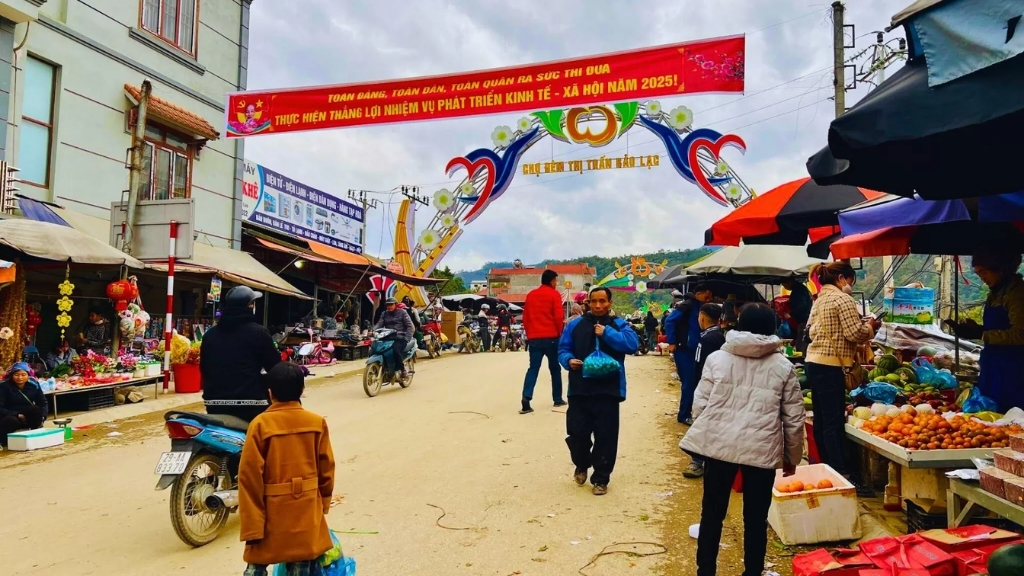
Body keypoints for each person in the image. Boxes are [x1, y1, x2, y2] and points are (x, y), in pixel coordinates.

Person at [680, 303, 804, 576]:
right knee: (756, 519)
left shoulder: (717, 359)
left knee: (712, 514)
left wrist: (709, 435)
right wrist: (792, 458)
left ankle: (706, 571)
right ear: (772, 328)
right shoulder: (783, 366)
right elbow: (794, 418)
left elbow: (699, 405)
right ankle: (752, 572)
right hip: (761, 452)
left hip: (719, 449)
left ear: (738, 324)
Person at [238, 362, 335, 576]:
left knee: (256, 566)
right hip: (306, 510)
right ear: (302, 390)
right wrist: (322, 505)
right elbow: (326, 469)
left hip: (270, 513)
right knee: (300, 563)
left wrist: (253, 525)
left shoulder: (260, 425)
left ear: (270, 392)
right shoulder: (316, 422)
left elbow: (249, 477)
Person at [558, 287, 639, 495]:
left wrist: (607, 333)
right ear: (588, 303)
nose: (598, 305)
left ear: (610, 303)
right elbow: (563, 348)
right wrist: (568, 360)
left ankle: (601, 478)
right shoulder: (574, 325)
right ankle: (582, 463)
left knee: (606, 436)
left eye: (603, 301)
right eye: (594, 301)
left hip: (608, 391)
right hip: (579, 389)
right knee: (577, 433)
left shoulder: (619, 325)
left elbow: (632, 345)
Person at [805, 262, 879, 486]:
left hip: (814, 363)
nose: (850, 286)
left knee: (821, 418)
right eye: (850, 281)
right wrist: (872, 327)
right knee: (833, 421)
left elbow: (809, 330)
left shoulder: (819, 299)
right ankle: (840, 471)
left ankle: (824, 465)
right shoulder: (843, 299)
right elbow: (854, 333)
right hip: (831, 366)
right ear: (841, 279)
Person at [946, 248, 1024, 412]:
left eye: (984, 272)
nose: (982, 279)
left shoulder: (1017, 293)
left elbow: (1019, 334)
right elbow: (998, 328)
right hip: (993, 365)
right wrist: (975, 329)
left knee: (1011, 415)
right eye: (978, 274)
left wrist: (981, 334)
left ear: (999, 268)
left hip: (1013, 368)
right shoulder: (995, 293)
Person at [201, 286, 282, 422]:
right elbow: (275, 368)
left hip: (214, 404)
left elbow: (204, 368)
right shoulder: (259, 333)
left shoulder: (209, 335)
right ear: (250, 306)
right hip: (252, 405)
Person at [682, 303, 726, 479]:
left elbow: (700, 366)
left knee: (701, 423)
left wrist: (696, 387)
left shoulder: (706, 338)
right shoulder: (721, 337)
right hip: (718, 386)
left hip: (706, 385)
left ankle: (697, 461)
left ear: (701, 317)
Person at [666, 283, 714, 424]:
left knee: (694, 381)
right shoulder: (687, 305)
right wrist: (672, 342)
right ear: (699, 293)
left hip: (693, 350)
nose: (708, 298)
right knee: (688, 382)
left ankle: (689, 412)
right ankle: (684, 415)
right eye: (707, 295)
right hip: (684, 350)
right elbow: (670, 321)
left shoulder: (699, 306)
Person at [520, 270, 566, 414]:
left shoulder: (531, 295)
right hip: (551, 337)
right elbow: (559, 317)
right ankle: (557, 398)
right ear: (552, 281)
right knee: (555, 368)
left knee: (533, 368)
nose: (556, 284)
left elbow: (525, 317)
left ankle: (526, 398)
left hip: (534, 338)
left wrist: (530, 334)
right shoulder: (554, 294)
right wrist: (559, 333)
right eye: (556, 281)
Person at [0, 362, 48, 447]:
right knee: (11, 421)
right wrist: (17, 415)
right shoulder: (4, 386)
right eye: (16, 375)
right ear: (12, 375)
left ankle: (35, 435)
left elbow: (42, 402)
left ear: (28, 375)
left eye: (23, 375)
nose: (20, 378)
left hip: (27, 413)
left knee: (35, 410)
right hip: (10, 415)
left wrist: (43, 416)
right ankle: (4, 442)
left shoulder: (34, 384)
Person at [375, 298, 415, 377]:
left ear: (395, 305)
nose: (389, 306)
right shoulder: (384, 313)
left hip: (400, 337)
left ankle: (402, 370)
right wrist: (372, 331)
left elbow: (409, 326)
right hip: (387, 337)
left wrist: (407, 338)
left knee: (395, 351)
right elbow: (379, 324)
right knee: (376, 349)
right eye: (388, 305)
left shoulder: (403, 312)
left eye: (391, 304)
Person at [782, 278, 813, 352]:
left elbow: (802, 305)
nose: (785, 287)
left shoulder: (798, 290)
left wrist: (791, 314)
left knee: (801, 345)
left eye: (784, 285)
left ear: (790, 281)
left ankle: (801, 361)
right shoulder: (800, 288)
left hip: (803, 321)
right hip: (803, 320)